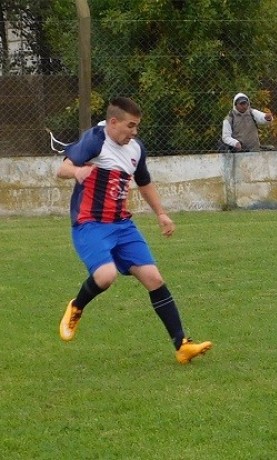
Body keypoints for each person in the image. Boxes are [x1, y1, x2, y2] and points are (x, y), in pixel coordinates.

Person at [56, 96, 213, 364]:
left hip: (123, 225)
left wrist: (161, 214)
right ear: (113, 122)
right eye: (130, 126)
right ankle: (77, 306)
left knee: (154, 279)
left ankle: (182, 345)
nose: (134, 132)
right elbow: (62, 167)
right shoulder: (95, 139)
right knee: (105, 276)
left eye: (137, 126)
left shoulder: (136, 148)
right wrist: (77, 172)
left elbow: (145, 182)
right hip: (90, 224)